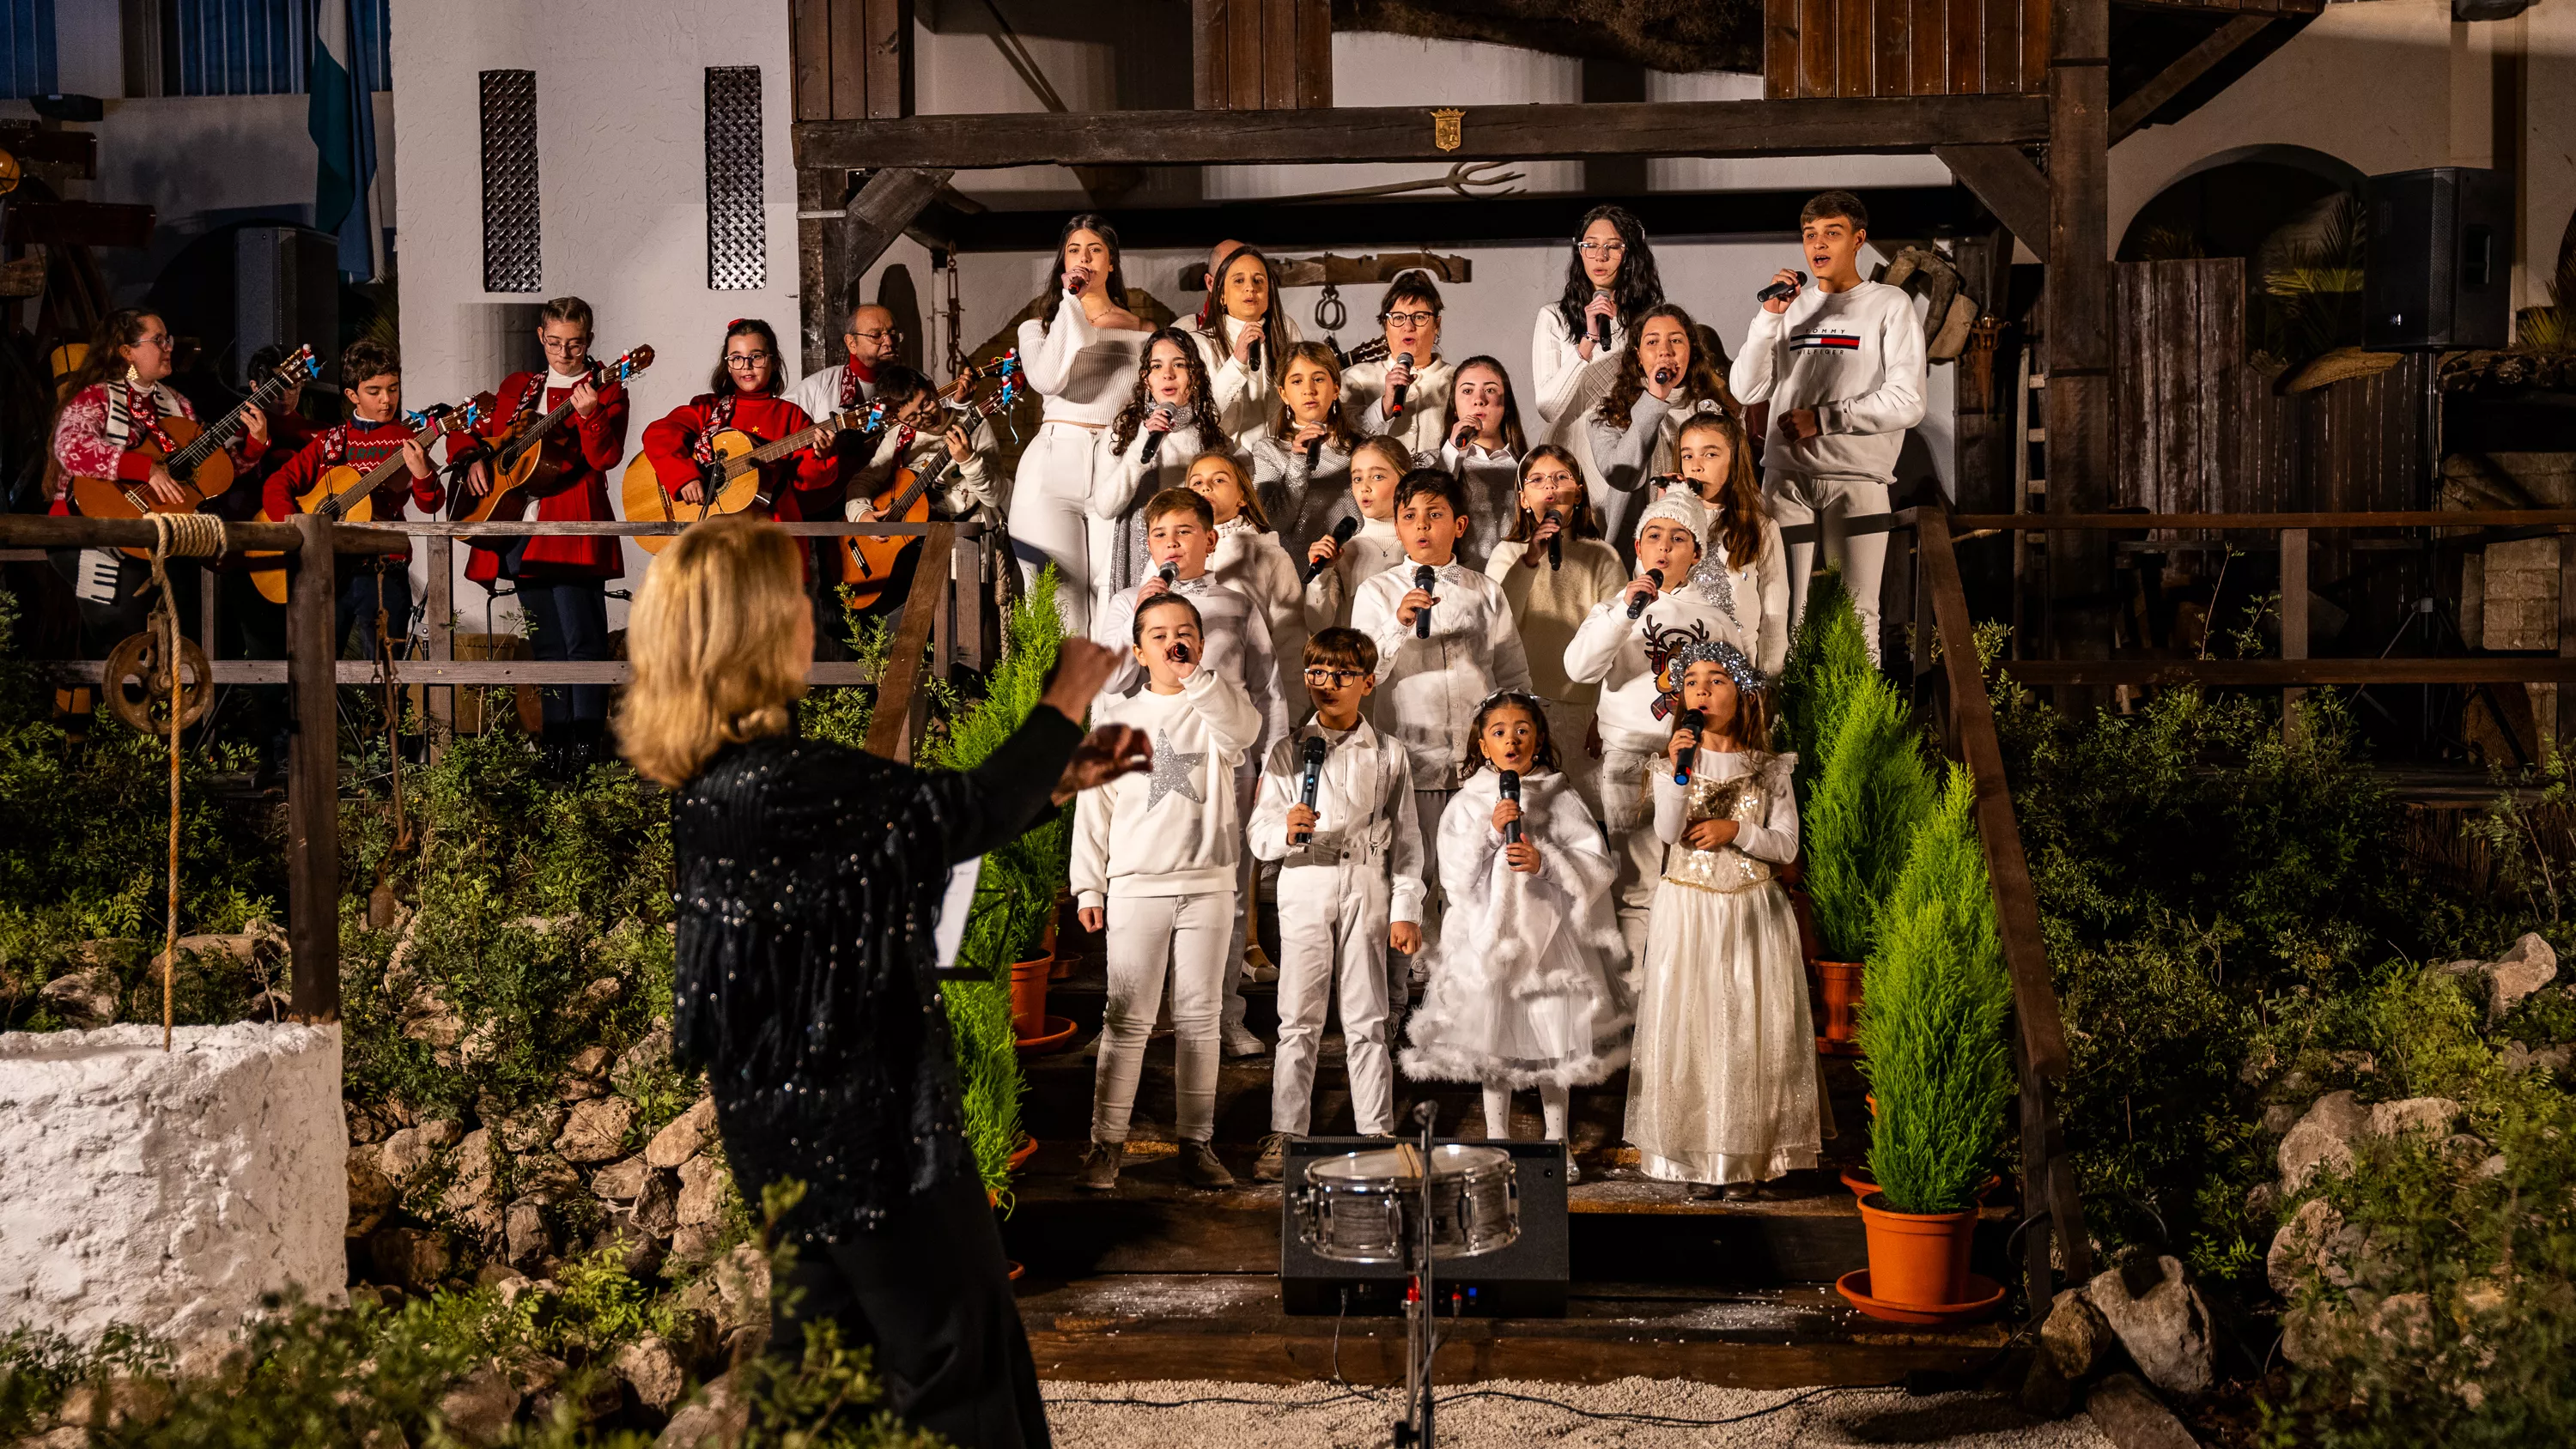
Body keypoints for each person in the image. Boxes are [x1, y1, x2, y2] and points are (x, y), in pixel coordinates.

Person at [628, 511, 1144, 1448]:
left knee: (826, 1372)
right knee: (959, 1366)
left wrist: (1056, 778)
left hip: (780, 1134)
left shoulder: (719, 788)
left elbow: (915, 825)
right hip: (871, 1133)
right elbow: (958, 810)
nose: (807, 613)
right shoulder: (788, 780)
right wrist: (1066, 692)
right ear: (751, 629)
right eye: (789, 597)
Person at [1074, 592, 1264, 1193]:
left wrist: (1198, 679)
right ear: (1137, 649)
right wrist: (1087, 886)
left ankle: (1197, 1143)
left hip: (1207, 883)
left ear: (1201, 644)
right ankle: (1105, 1146)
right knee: (1125, 1019)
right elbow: (1092, 809)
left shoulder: (1217, 706)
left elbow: (1246, 730)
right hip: (1136, 884)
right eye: (1158, 634)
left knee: (1200, 1019)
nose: (1172, 641)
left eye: (1185, 633)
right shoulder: (1115, 720)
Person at [1627, 639, 1825, 1199]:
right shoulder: (1673, 762)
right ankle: (1695, 1156)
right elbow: (1668, 832)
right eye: (1693, 682)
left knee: (1746, 1030)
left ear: (1743, 694)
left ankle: (1746, 1158)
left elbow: (1786, 846)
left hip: (1749, 911)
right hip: (1688, 910)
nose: (1704, 691)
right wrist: (1673, 769)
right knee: (1694, 1028)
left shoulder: (1768, 768)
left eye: (1717, 680)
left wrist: (1737, 831)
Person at [1400, 690, 1627, 1175]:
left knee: (1553, 1038)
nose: (1511, 741)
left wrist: (1548, 863)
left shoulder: (1560, 795)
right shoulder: (1467, 803)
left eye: (1522, 730)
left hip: (1547, 942)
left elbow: (1596, 863)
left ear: (1539, 739)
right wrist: (1490, 830)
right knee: (1494, 1041)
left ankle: (1556, 1142)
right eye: (1499, 733)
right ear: (1483, 745)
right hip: (1487, 942)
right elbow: (1455, 879)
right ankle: (1496, 1141)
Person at [1247, 627, 1425, 1180]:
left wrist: (1405, 910)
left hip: (1367, 883)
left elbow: (1410, 842)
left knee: (1368, 1014)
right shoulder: (1287, 751)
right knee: (1297, 1017)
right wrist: (1285, 830)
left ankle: (1375, 1128)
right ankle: (1287, 1131)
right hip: (1304, 881)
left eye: (1341, 675)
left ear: (1367, 683)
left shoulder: (1391, 753)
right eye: (1316, 673)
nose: (1326, 684)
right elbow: (1256, 837)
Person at [1729, 190, 1926, 666]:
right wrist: (1767, 319)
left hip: (1858, 481)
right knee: (1779, 617)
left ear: (1858, 240)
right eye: (1810, 235)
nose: (1818, 244)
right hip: (1785, 480)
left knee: (1857, 619)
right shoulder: (1791, 306)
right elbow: (1746, 389)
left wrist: (1825, 419)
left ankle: (1860, 738)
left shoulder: (1888, 303)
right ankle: (1783, 734)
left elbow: (1909, 400)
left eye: (1831, 233)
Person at [1351, 469, 1532, 965]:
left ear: (1460, 524)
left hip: (1478, 768)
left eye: (1435, 515)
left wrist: (1519, 748)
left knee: (1472, 878)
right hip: (1412, 760)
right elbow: (1367, 675)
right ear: (1399, 527)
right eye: (1410, 516)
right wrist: (1399, 623)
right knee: (1414, 878)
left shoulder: (1485, 590)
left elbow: (1512, 674)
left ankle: (1463, 992)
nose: (1422, 526)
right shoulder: (1378, 593)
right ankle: (1407, 998)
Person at [452, 296, 630, 773]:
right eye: (554, 343)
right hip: (519, 528)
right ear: (540, 336)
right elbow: (473, 432)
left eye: (574, 344)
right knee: (547, 644)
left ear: (589, 340)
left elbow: (605, 459)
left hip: (573, 526)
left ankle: (586, 751)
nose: (564, 354)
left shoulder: (607, 388)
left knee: (583, 643)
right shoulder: (519, 386)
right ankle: (554, 747)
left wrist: (591, 415)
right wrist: (473, 460)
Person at [1563, 487, 1735, 973]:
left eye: (1679, 538)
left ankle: (1678, 996)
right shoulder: (1614, 609)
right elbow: (1579, 669)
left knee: (1691, 879)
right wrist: (1624, 612)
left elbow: (1741, 694)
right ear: (1637, 548)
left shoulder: (1716, 619)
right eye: (1653, 536)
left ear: (1696, 552)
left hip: (1697, 758)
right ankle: (1634, 1005)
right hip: (1631, 757)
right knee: (1636, 885)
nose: (1664, 547)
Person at [46, 308, 267, 651]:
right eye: (158, 340)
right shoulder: (97, 397)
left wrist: (252, 446)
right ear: (126, 351)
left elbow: (208, 475)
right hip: (91, 530)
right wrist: (145, 468)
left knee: (185, 626)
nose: (168, 347)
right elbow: (71, 446)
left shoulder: (177, 404)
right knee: (121, 633)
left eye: (169, 339)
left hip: (158, 535)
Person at [260, 338, 441, 664]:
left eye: (393, 388)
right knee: (317, 669)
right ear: (352, 395)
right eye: (374, 391)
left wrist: (423, 473)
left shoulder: (407, 440)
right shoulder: (332, 440)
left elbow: (431, 505)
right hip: (329, 569)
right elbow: (278, 482)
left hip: (384, 567)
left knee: (386, 672)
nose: (387, 400)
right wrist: (299, 530)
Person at [1013, 215, 1151, 635]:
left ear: (1112, 264)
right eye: (1074, 250)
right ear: (1062, 266)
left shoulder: (1144, 332)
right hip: (1054, 459)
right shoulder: (1037, 328)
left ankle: (1108, 702)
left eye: (1095, 250)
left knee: (1115, 592)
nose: (1084, 258)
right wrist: (1070, 303)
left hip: (1116, 458)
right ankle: (1062, 702)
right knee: (1056, 602)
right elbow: (1047, 379)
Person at [1483, 445, 1624, 817]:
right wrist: (1531, 558)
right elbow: (1495, 621)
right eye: (1538, 480)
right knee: (1532, 812)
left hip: (1583, 707)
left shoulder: (1603, 556)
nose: (1551, 488)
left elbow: (1619, 639)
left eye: (1562, 477)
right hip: (1524, 705)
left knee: (1581, 814)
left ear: (1578, 492)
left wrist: (1605, 713)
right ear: (1524, 498)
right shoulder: (1507, 553)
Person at [838, 362, 1001, 629]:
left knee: (961, 646)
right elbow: (862, 482)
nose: (924, 418)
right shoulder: (901, 436)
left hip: (962, 554)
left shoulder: (973, 427)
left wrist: (969, 461)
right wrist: (862, 516)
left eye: (926, 404)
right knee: (895, 639)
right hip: (908, 560)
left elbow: (995, 496)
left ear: (934, 390)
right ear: (899, 420)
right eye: (912, 417)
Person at [1567, 302, 1735, 558]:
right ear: (1637, 356)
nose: (1665, 352)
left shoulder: (1714, 413)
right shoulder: (1605, 418)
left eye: (1676, 341)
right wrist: (1655, 399)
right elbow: (1622, 475)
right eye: (1652, 342)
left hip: (1710, 549)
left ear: (1692, 351)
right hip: (1638, 557)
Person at [641, 318, 838, 525]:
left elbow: (807, 480)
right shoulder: (708, 408)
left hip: (772, 529)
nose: (746, 366)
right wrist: (684, 476)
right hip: (714, 532)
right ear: (727, 365)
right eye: (736, 358)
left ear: (775, 362)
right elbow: (657, 434)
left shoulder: (792, 415)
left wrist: (820, 456)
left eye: (756, 357)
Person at [1090, 328, 1217, 615]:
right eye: (1157, 366)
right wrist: (1140, 445)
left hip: (1191, 571)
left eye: (1179, 364)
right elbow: (1107, 506)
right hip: (1129, 572)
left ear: (1194, 376)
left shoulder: (1210, 439)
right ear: (1146, 379)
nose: (1167, 375)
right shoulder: (1123, 433)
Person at [1672, 409, 1789, 676]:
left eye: (1710, 454)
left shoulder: (1761, 528)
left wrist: (1767, 683)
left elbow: (1774, 617)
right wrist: (1668, 516)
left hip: (1739, 675)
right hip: (1679, 676)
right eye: (1687, 455)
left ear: (1734, 460)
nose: (1696, 465)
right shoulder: (1665, 528)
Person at [1190, 450, 1306, 716]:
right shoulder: (1170, 556)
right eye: (1196, 482)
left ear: (1242, 496)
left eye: (1219, 480)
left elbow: (1290, 638)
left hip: (1246, 707)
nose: (1205, 486)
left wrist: (1290, 714)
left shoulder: (1267, 553)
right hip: (1185, 705)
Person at [1532, 204, 1666, 428]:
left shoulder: (1649, 320)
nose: (1601, 256)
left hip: (1629, 441)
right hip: (1573, 446)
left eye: (1613, 247)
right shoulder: (1553, 317)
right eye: (1590, 246)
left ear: (1630, 255)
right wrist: (1588, 340)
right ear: (1580, 252)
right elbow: (1548, 409)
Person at [1249, 342, 1358, 564]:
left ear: (1336, 388)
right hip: (1299, 573)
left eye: (1318, 379)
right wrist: (1297, 462)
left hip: (1355, 566)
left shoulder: (1361, 448)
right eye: (1297, 381)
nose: (1309, 390)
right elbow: (1272, 525)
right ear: (1283, 394)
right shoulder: (1269, 451)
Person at [1189, 243, 1296, 451]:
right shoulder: (1198, 344)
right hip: (1225, 464)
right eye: (1239, 281)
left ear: (1268, 295)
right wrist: (1237, 362)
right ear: (1221, 295)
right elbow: (1199, 416)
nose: (1250, 288)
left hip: (1277, 464)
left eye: (1258, 281)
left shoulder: (1285, 336)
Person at [1300, 435, 1410, 633]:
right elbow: (1318, 625)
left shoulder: (1421, 542)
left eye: (1377, 476)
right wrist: (1320, 576)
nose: (1364, 488)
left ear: (1404, 480)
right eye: (1357, 478)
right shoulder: (1345, 551)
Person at [1340, 272, 1455, 457]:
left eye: (1419, 317)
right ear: (1386, 325)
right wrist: (1385, 404)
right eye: (1398, 317)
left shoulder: (1458, 381)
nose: (1408, 326)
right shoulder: (1354, 379)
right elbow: (1342, 445)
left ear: (1436, 324)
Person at [1437, 356, 1527, 569]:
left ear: (1506, 406)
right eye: (1467, 391)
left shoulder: (1528, 467)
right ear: (1455, 408)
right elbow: (1428, 500)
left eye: (1490, 390)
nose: (1479, 400)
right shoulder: (1435, 462)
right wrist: (1454, 450)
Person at [784, 299, 907, 421]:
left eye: (893, 334)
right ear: (852, 343)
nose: (889, 342)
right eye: (876, 335)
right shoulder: (819, 386)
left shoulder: (918, 384)